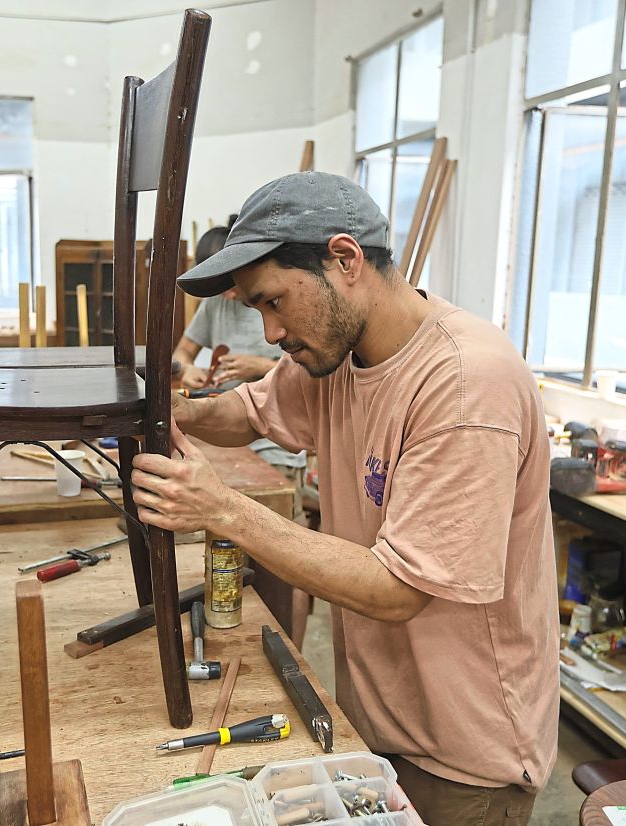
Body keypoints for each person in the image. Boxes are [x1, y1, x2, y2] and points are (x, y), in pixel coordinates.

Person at [131, 173, 558, 825]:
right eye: (257, 312)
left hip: (464, 753)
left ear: (346, 259)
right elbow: (249, 409)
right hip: (376, 720)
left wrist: (222, 510)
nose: (270, 333)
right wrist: (175, 415)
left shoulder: (467, 385)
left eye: (275, 302)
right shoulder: (336, 356)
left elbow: (398, 589)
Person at [173, 221, 283, 390]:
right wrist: (186, 369)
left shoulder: (280, 300)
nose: (228, 296)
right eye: (218, 288)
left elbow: (311, 374)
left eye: (229, 284)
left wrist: (262, 367)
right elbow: (182, 353)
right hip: (222, 402)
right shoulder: (216, 301)